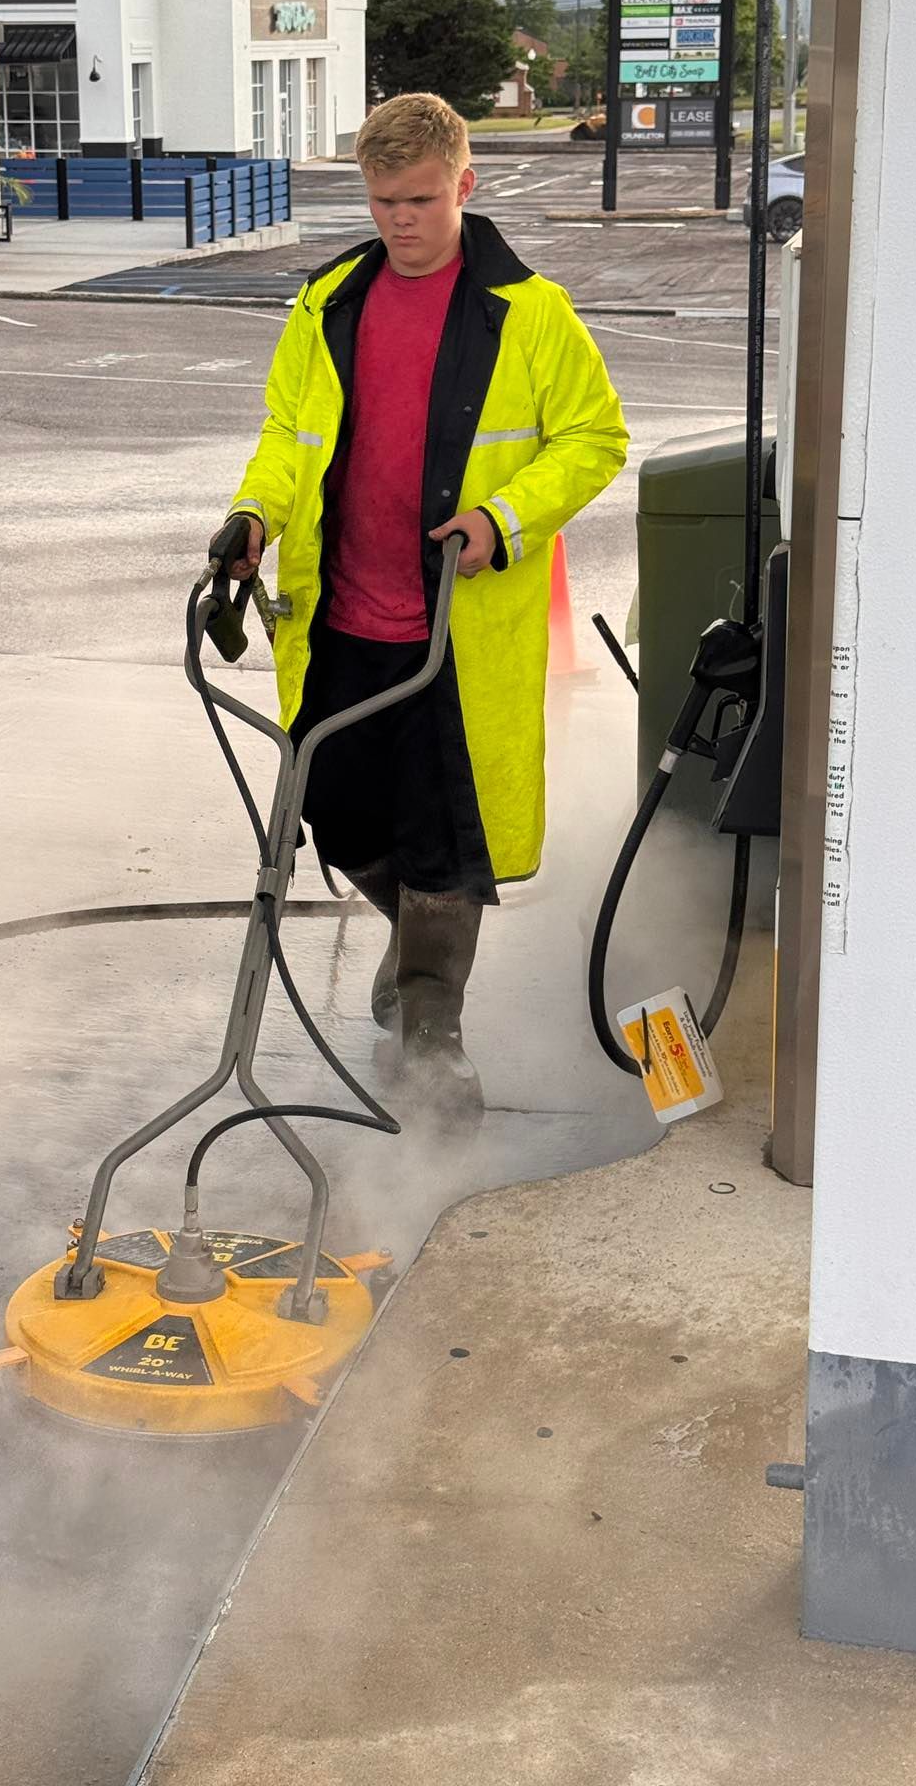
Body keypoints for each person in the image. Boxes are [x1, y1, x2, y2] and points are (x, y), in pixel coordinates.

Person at [219, 91, 627, 1114]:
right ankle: (415, 953)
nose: (401, 219)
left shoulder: (528, 313)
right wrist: (253, 518)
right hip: (341, 619)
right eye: (383, 200)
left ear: (465, 184)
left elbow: (595, 436)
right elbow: (286, 436)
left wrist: (503, 518)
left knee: (445, 831)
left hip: (455, 631)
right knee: (339, 808)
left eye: (421, 198)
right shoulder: (329, 305)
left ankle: (433, 1027)